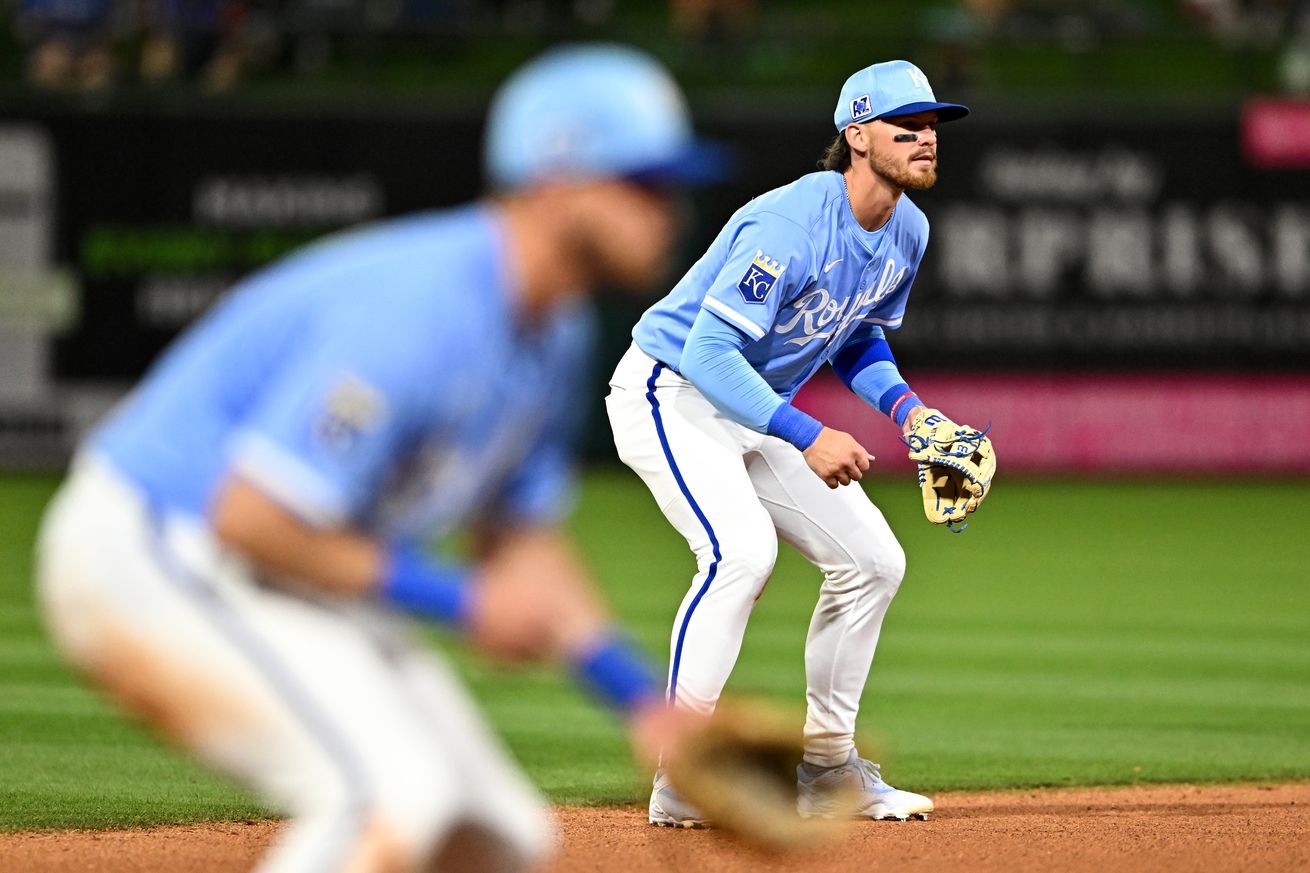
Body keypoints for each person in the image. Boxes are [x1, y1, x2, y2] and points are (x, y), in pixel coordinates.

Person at [35, 44, 721, 873]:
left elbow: (519, 536)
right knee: (386, 802)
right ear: (555, 183)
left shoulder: (557, 329)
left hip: (267, 558)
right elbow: (252, 514)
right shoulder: (424, 307)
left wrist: (640, 699)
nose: (668, 211)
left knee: (495, 836)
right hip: (151, 540)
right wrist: (464, 599)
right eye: (641, 184)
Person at [606, 59, 969, 826]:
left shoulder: (908, 227)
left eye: (934, 124)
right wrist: (805, 433)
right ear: (857, 135)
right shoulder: (791, 225)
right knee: (740, 552)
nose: (927, 138)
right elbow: (706, 353)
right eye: (908, 125)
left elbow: (856, 335)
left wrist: (911, 414)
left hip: (749, 404)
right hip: (667, 390)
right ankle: (682, 773)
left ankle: (829, 767)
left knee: (874, 562)